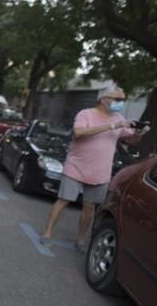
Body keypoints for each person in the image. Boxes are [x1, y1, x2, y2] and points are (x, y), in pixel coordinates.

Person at [42, 84, 150, 248]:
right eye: (118, 99)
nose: (121, 102)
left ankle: (80, 239)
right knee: (63, 200)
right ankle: (47, 232)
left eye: (122, 99)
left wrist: (139, 134)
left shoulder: (119, 118)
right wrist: (113, 126)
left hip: (100, 172)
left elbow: (131, 141)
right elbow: (79, 133)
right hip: (76, 166)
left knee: (90, 207)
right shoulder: (85, 114)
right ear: (103, 99)